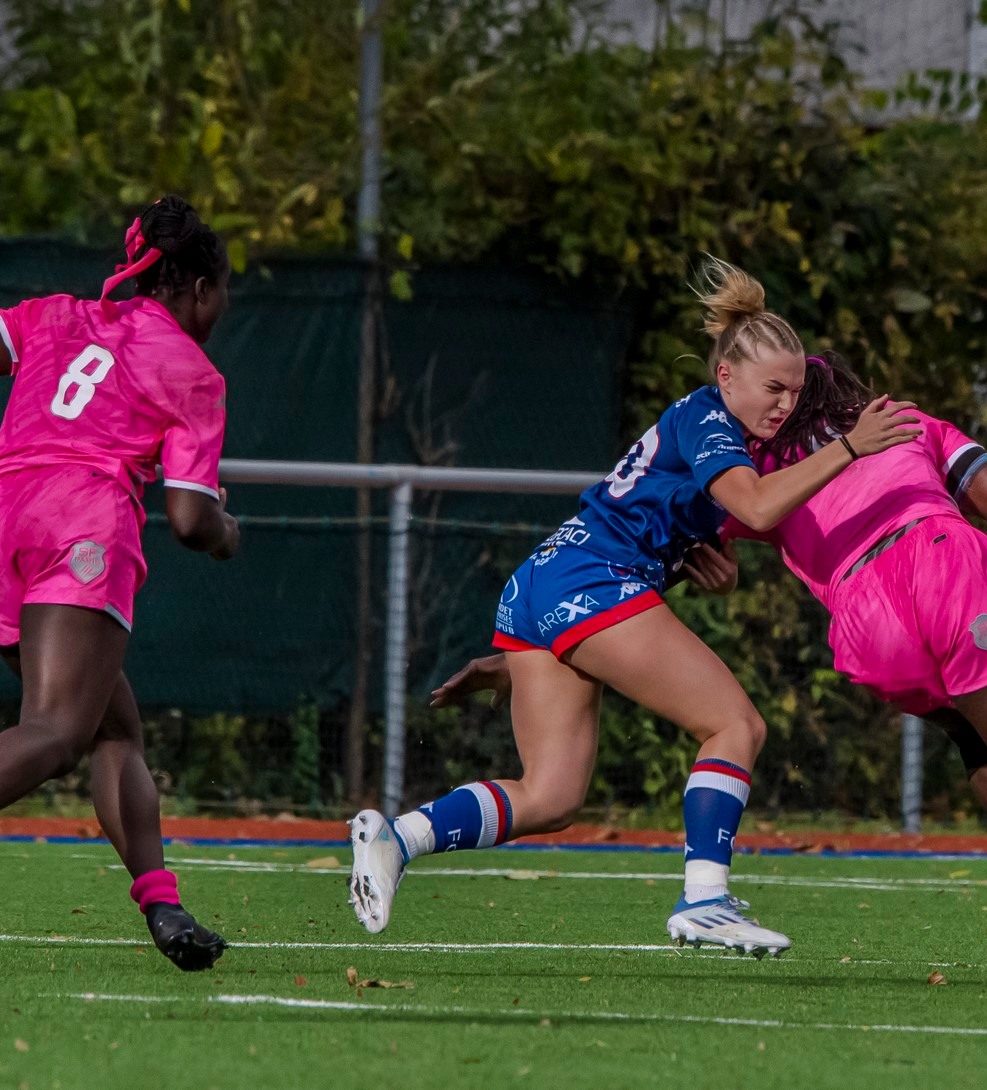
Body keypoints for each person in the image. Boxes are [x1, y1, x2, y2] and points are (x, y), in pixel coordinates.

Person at [436, 351, 987, 999]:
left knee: (976, 737)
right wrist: (979, 578)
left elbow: (655, 575)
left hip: (867, 621)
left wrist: (524, 654)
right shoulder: (906, 424)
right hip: (943, 564)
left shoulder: (759, 471)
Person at [347, 259, 920, 955]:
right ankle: (705, 899)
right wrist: (852, 447)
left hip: (549, 584)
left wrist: (716, 575)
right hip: (589, 581)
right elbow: (760, 504)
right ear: (728, 377)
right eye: (774, 388)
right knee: (734, 725)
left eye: (795, 391)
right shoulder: (706, 419)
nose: (785, 404)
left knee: (551, 797)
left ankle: (397, 839)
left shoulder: (724, 443)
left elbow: (691, 533)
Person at [0, 196, 239, 971]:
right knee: (59, 729)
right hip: (82, 525)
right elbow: (193, 520)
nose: (222, 307)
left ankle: (163, 906)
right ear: (197, 286)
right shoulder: (193, 372)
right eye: (222, 291)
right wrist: (230, 533)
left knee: (111, 726)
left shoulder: (57, 315)